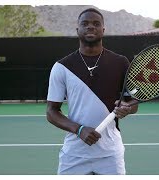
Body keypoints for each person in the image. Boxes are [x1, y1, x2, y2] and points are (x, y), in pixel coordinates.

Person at [46, 8, 138, 175]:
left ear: (103, 30)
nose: (90, 27)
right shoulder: (61, 67)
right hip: (74, 154)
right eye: (85, 23)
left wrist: (127, 108)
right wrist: (79, 130)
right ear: (77, 30)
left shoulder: (121, 62)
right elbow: (51, 112)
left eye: (96, 24)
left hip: (110, 154)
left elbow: (133, 103)